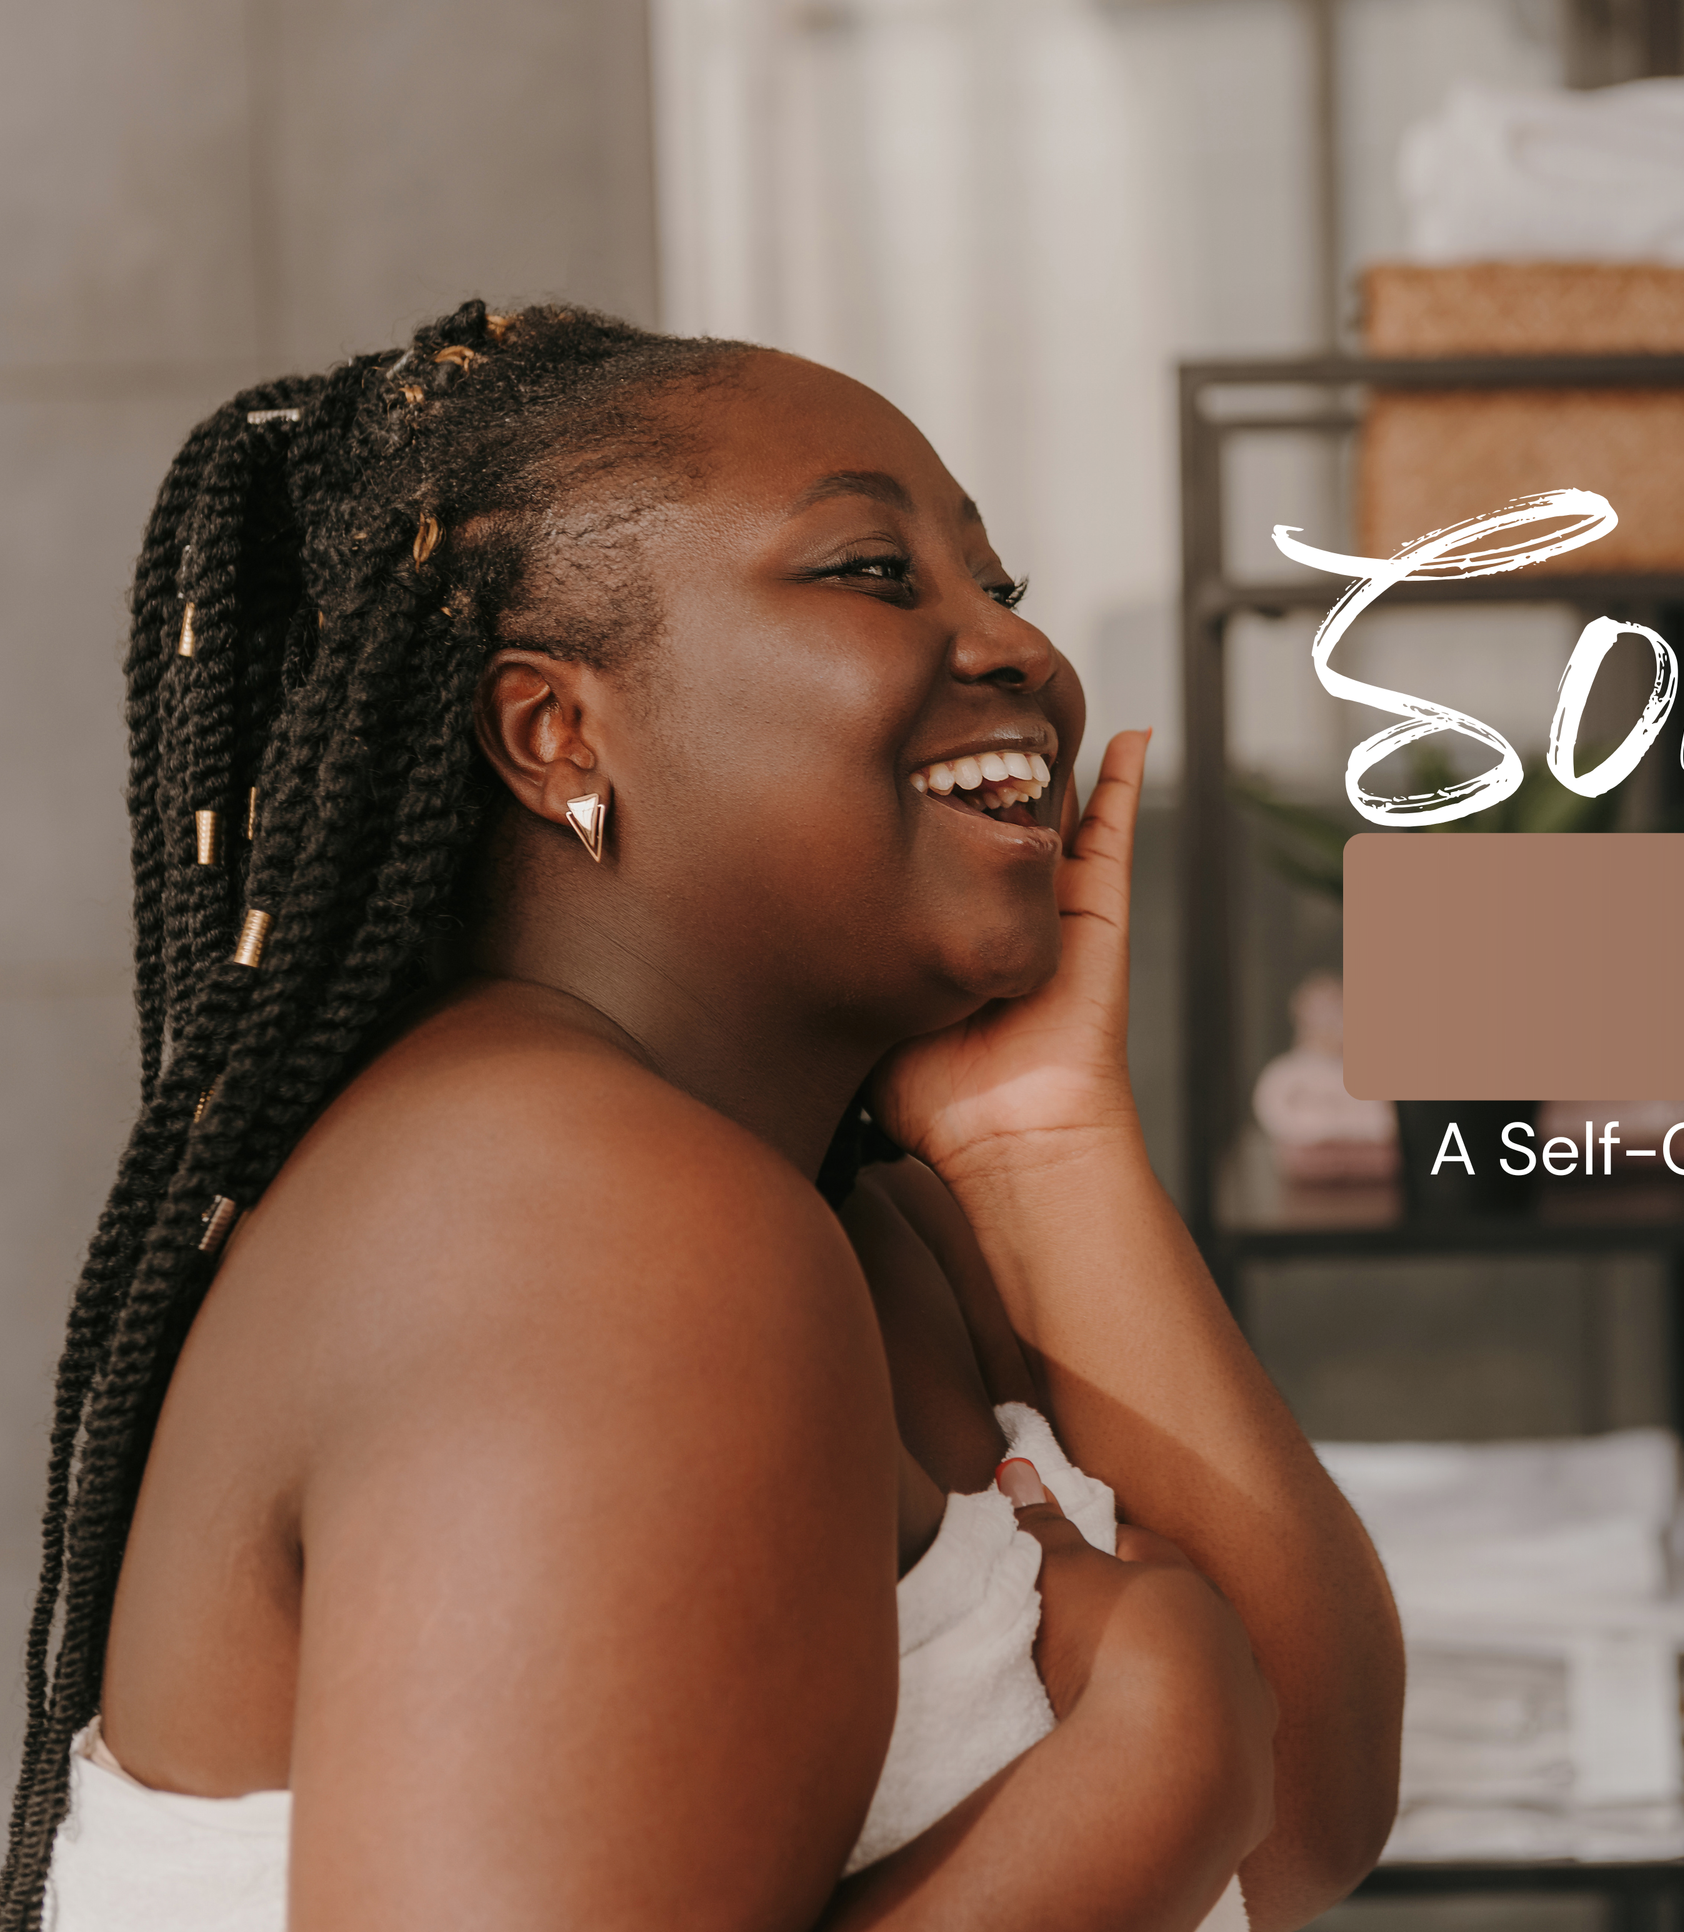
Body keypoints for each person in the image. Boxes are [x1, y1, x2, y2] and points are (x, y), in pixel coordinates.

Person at [1, 302, 1404, 1932]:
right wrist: (1138, 1785)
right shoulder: (576, 1229)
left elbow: (1304, 1815)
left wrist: (1043, 1140)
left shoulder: (854, 1198)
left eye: (995, 586)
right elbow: (1210, 1794)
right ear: (555, 732)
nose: (1024, 650)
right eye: (875, 573)